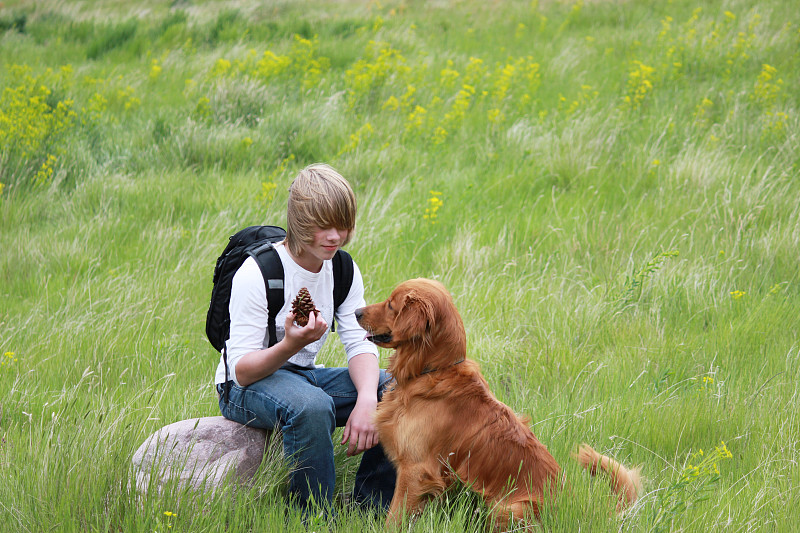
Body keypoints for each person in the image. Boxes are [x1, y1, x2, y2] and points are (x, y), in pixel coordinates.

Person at [213, 163, 395, 516]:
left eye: (343, 225)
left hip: (302, 376)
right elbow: (243, 372)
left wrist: (368, 402)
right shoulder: (260, 272)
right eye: (322, 226)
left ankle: (372, 510)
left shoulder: (342, 268)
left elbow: (360, 343)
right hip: (244, 388)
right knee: (311, 406)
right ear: (299, 222)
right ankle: (314, 517)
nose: (334, 236)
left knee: (397, 388)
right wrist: (291, 345)